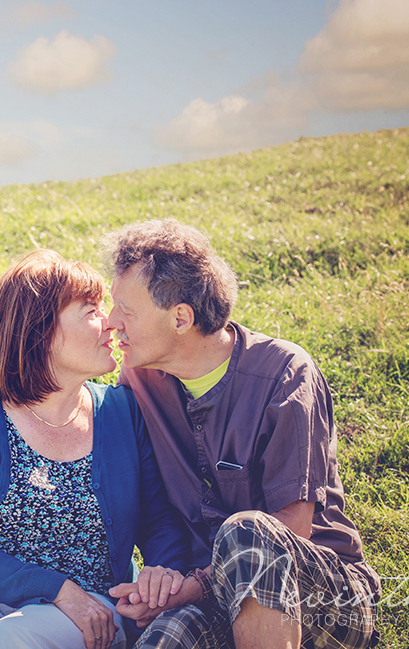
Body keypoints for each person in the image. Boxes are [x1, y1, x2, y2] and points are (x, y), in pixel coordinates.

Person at [102, 219, 381, 649]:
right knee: (164, 639)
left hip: (321, 597)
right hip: (212, 596)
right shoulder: (139, 383)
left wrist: (191, 586)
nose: (111, 322)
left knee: (248, 531)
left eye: (127, 310)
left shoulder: (285, 374)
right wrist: (162, 584)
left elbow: (292, 528)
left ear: (180, 317)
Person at [0, 249, 188, 649]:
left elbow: (160, 520)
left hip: (92, 603)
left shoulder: (122, 413)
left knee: (16, 638)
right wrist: (58, 589)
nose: (111, 324)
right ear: (40, 331)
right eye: (90, 311)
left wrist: (161, 573)